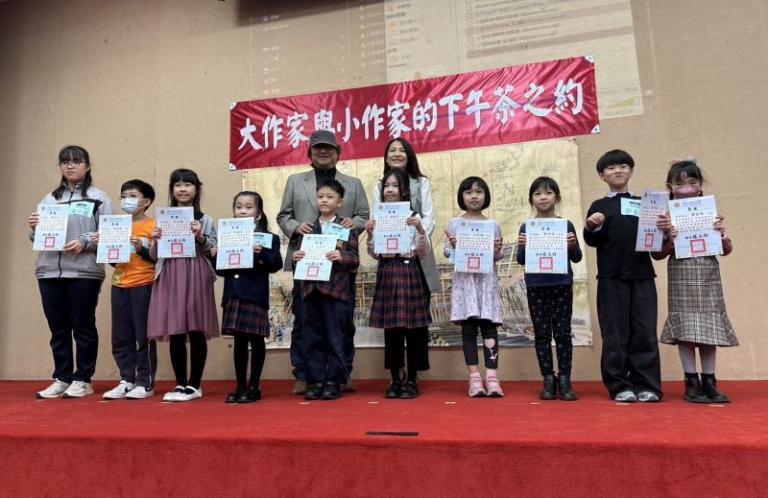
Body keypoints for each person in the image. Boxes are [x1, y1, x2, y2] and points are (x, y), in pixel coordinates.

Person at [277, 130, 369, 394]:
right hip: (306, 264)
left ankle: (341, 375)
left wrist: (354, 224)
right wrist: (295, 227)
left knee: (342, 323)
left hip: (339, 268)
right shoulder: (295, 181)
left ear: (338, 152)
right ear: (310, 152)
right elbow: (283, 216)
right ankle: (305, 375)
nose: (323, 151)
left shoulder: (353, 183)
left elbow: (363, 215)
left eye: (329, 147)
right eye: (318, 148)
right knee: (304, 322)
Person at [30, 145, 113, 399]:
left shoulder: (99, 198)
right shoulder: (49, 199)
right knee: (58, 328)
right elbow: (36, 238)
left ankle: (83, 379)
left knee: (83, 325)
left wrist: (85, 242)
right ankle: (62, 377)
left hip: (83, 272)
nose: (70, 165)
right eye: (65, 161)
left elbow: (110, 234)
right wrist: (34, 228)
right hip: (49, 271)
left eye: (76, 161)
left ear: (87, 166)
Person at [653, 159, 737, 403]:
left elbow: (726, 250)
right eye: (680, 184)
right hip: (681, 273)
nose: (687, 188)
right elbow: (656, 254)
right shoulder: (665, 217)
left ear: (700, 185)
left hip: (708, 273)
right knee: (686, 330)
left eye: (692, 182)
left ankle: (710, 381)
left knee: (710, 327)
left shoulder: (710, 212)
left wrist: (721, 233)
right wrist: (669, 238)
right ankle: (691, 381)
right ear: (670, 187)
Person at [583, 150, 663, 402]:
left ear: (631, 171)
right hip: (611, 277)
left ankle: (647, 386)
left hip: (643, 275)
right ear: (601, 175)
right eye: (611, 168)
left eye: (623, 166)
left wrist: (663, 229)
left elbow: (656, 245)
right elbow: (591, 239)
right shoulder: (598, 206)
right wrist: (591, 226)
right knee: (615, 333)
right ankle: (619, 386)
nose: (618, 171)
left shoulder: (645, 204)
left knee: (645, 332)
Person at [147, 169, 219, 402]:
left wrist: (199, 236)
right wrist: (156, 239)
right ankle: (180, 384)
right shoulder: (163, 218)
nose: (182, 189)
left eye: (188, 184)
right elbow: (154, 256)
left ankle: (195, 385)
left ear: (197, 189)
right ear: (172, 190)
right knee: (175, 329)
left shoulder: (205, 219)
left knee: (196, 328)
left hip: (196, 272)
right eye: (177, 185)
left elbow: (214, 250)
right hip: (169, 273)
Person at [515, 177, 582, 401]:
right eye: (538, 194)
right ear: (531, 199)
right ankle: (548, 379)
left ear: (557, 197)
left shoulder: (566, 225)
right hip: (537, 285)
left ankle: (565, 379)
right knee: (542, 334)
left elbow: (577, 257)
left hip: (562, 284)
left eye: (548, 193)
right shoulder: (527, 226)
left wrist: (572, 245)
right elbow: (521, 260)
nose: (543, 197)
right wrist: (523, 247)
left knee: (563, 333)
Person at [367, 168, 431, 399]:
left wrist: (420, 229)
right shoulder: (378, 216)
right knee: (391, 329)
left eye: (395, 185)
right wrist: (370, 235)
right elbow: (374, 253)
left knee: (414, 329)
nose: (390, 190)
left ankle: (413, 378)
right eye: (387, 186)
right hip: (387, 270)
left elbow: (424, 251)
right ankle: (395, 377)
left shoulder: (414, 215)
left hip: (409, 269)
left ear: (404, 190)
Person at [292, 179, 359, 401]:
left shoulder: (346, 228)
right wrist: (296, 258)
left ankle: (334, 380)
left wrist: (341, 256)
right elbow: (297, 260)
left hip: (336, 290)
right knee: (311, 337)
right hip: (310, 290)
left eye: (330, 197)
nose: (324, 200)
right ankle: (315, 380)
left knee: (336, 336)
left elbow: (355, 259)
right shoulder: (307, 229)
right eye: (320, 196)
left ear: (340, 202)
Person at [213, 191, 282, 404]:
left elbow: (275, 264)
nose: (243, 211)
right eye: (239, 207)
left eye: (248, 207)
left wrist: (260, 253)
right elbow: (221, 271)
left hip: (254, 294)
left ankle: (254, 385)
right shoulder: (227, 235)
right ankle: (240, 385)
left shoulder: (268, 237)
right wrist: (215, 256)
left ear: (258, 213)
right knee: (239, 341)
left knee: (256, 339)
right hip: (233, 293)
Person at [444, 177, 505, 397]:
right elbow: (448, 254)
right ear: (462, 197)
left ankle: (492, 378)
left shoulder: (492, 224)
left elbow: (497, 255)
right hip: (465, 282)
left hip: (486, 282)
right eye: (468, 192)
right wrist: (454, 247)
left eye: (479, 192)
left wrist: (497, 250)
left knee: (489, 327)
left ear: (485, 196)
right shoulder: (455, 224)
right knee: (468, 328)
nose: (474, 196)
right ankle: (475, 379)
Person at [102, 179, 158, 400]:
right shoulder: (116, 225)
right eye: (124, 196)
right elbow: (113, 260)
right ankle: (126, 379)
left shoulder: (153, 225)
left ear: (146, 201)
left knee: (143, 336)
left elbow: (157, 257)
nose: (127, 200)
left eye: (133, 196)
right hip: (119, 284)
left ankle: (145, 381)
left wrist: (141, 247)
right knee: (121, 336)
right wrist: (104, 245)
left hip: (144, 283)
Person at [373, 138, 440, 293]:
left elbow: (429, 218)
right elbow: (376, 219)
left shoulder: (421, 182)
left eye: (402, 150)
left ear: (409, 156)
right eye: (392, 150)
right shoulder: (380, 187)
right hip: (390, 255)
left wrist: (414, 245)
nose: (397, 154)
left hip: (417, 253)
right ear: (386, 158)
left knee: (419, 297)